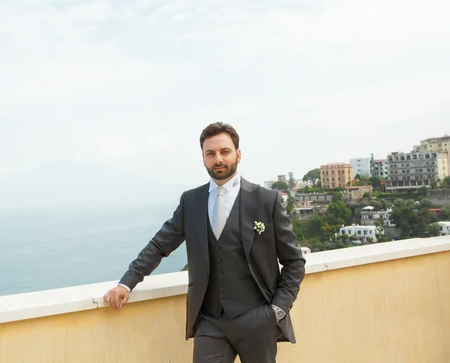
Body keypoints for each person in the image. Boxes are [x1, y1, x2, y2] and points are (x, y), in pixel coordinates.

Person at [104, 122, 306, 363]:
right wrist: (126, 284)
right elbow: (160, 245)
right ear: (203, 159)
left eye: (224, 151)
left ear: (238, 155)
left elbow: (294, 262)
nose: (217, 159)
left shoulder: (266, 200)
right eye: (210, 153)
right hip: (211, 322)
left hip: (258, 319)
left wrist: (277, 310)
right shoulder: (191, 201)